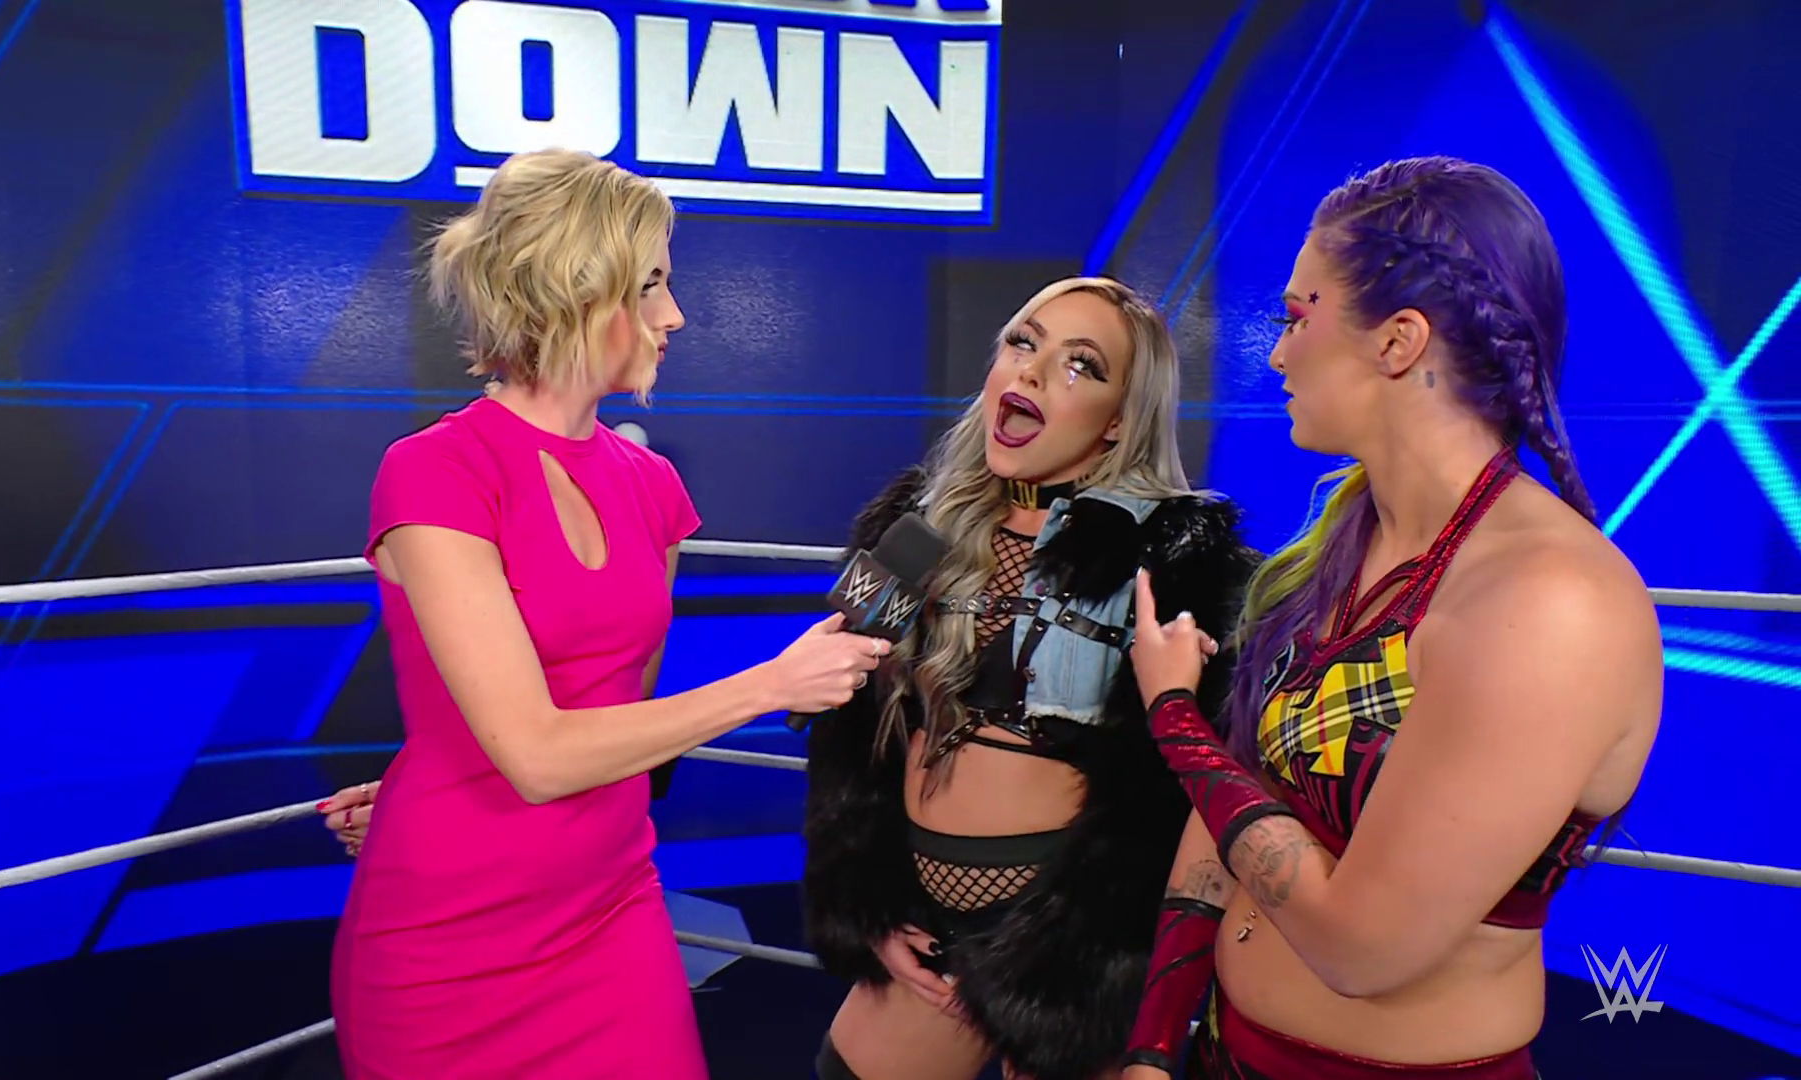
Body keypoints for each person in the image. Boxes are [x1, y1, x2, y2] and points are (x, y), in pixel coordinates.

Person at [329, 148, 890, 1080]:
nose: (675, 316)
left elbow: (621, 716)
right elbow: (539, 755)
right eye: (651, 285)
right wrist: (772, 685)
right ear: (572, 292)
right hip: (448, 940)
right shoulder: (435, 470)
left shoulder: (653, 486)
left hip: (611, 906)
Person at [1120, 156, 1663, 1079]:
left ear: (1399, 341)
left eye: (1297, 318)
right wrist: (1155, 1044)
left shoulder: (1548, 601)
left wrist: (1173, 714)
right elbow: (1241, 800)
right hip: (1225, 1051)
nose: (1278, 354)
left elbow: (1359, 948)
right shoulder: (1345, 537)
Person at [802, 277, 1261, 1080]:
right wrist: (868, 905)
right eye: (1024, 341)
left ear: (1119, 420)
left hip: (1069, 956)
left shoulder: (1178, 558)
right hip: (927, 932)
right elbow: (837, 719)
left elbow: (1185, 788)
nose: (1035, 371)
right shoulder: (910, 527)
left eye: (1081, 364)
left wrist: (1120, 968)